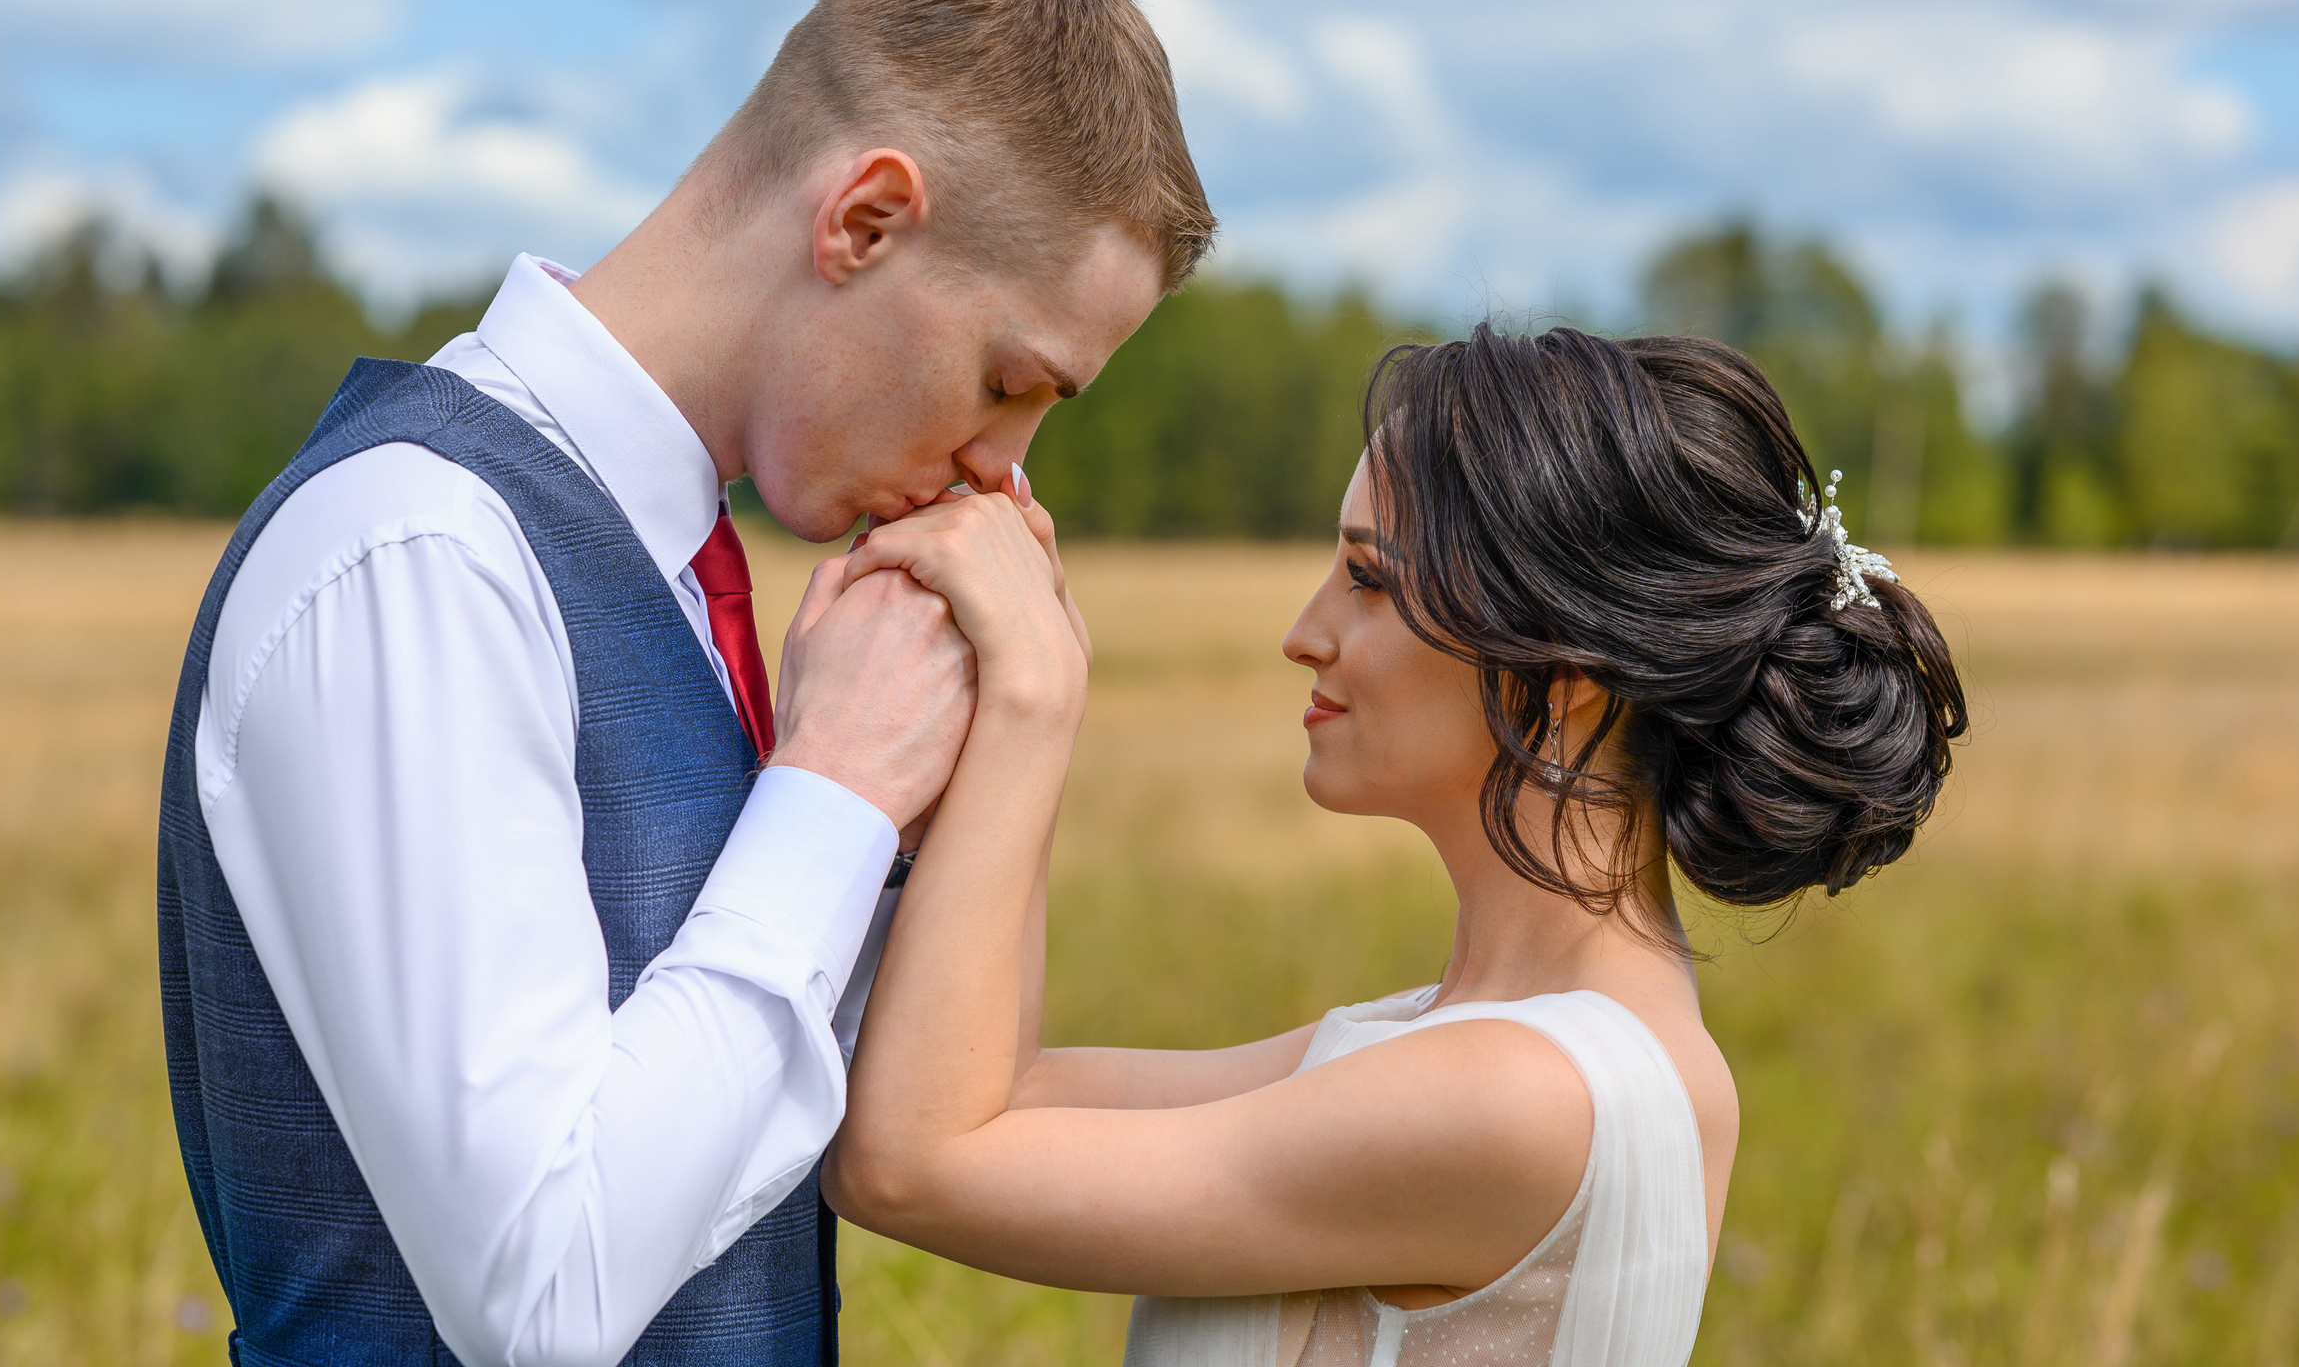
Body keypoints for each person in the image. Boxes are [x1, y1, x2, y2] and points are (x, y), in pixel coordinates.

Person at [156, 0, 1214, 1367]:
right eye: (1007, 382)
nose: (999, 470)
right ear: (864, 221)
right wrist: (831, 786)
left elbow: (886, 1121)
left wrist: (1012, 720)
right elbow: (545, 1288)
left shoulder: (694, 592)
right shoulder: (418, 549)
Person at [824, 325, 1968, 1367]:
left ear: (1559, 678)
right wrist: (1007, 680)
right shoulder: (1474, 1048)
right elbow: (996, 1100)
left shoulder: (1524, 1096)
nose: (1302, 633)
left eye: (1368, 581)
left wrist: (1035, 698)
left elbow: (909, 1165)